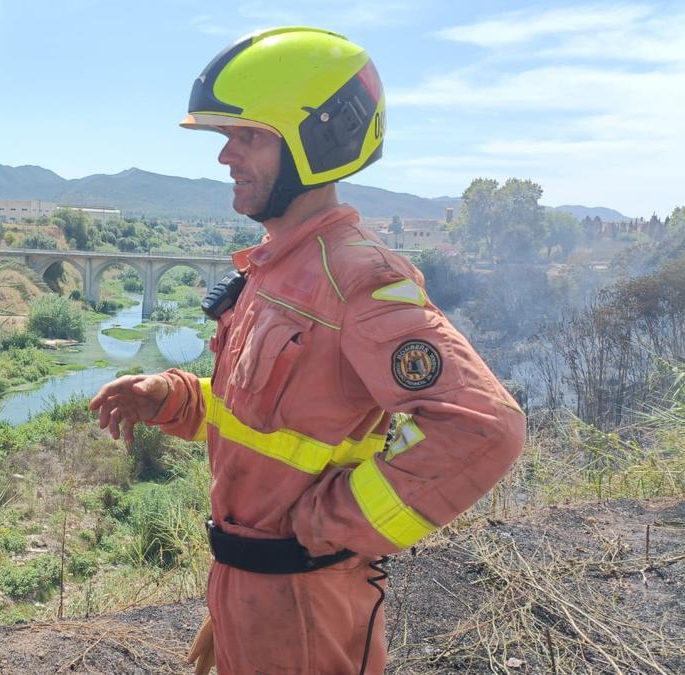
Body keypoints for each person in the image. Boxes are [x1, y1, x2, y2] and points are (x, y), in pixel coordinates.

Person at [89, 27, 525, 674]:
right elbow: (275, 421)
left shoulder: (358, 278)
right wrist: (175, 399)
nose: (225, 157)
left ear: (316, 142)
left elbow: (484, 428)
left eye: (249, 136)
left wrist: (325, 531)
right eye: (226, 137)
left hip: (306, 607)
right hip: (255, 590)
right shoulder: (274, 270)